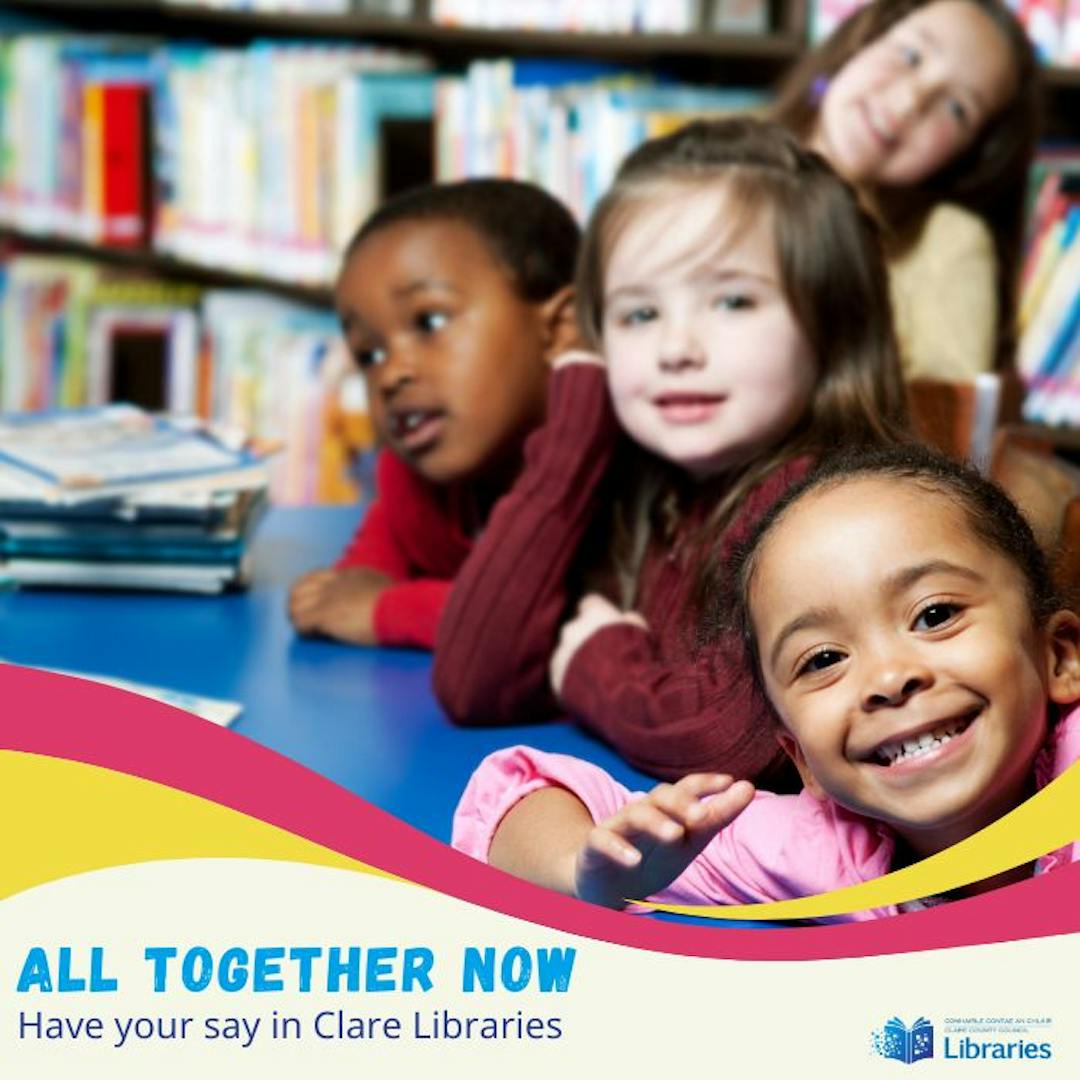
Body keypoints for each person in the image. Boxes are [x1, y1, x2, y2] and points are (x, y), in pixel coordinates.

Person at [433, 118, 909, 783]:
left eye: (733, 300)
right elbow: (474, 681)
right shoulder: (648, 487)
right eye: (638, 315)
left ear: (832, 326)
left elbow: (728, 740)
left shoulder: (822, 513)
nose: (676, 348)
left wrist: (600, 662)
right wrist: (574, 440)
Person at [453, 444, 1080, 919]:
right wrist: (589, 870)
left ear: (1060, 657)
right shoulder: (821, 843)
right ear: (800, 757)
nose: (888, 679)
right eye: (822, 659)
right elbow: (514, 795)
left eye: (934, 615)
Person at [288, 179, 580, 650]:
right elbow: (372, 562)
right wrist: (351, 590)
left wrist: (386, 610)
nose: (391, 375)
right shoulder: (416, 467)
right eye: (369, 353)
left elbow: (561, 632)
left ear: (561, 329)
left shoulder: (613, 477)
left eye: (430, 323)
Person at [771, 0, 1041, 379]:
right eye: (911, 55)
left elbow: (947, 422)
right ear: (862, 39)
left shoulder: (949, 242)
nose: (910, 102)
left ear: (967, 159)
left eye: (957, 108)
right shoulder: (712, 166)